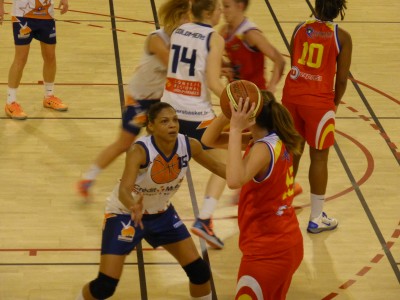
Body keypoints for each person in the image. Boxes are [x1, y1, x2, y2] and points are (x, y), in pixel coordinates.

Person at [76, 102, 226, 300]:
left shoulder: (189, 145)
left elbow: (218, 168)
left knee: (200, 273)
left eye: (174, 120)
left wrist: (251, 173)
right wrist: (132, 205)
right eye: (165, 121)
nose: (172, 125)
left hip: (161, 214)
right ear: (151, 126)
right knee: (105, 286)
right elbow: (124, 190)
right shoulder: (139, 151)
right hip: (125, 214)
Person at [77, 0, 191, 199]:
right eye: (186, 23)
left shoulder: (181, 43)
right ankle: (88, 177)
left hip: (159, 101)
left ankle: (146, 179)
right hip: (139, 100)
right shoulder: (157, 39)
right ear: (175, 20)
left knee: (163, 141)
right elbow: (174, 66)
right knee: (123, 143)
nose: (189, 28)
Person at [202, 95, 304, 299]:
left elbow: (234, 180)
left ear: (252, 118)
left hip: (268, 253)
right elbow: (208, 140)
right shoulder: (270, 139)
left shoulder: (262, 149)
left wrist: (235, 127)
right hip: (285, 244)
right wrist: (226, 112)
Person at [161, 0, 228, 249]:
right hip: (196, 116)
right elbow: (212, 81)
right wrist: (234, 101)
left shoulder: (179, 30)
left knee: (161, 169)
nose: (222, 11)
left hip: (168, 112)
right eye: (219, 7)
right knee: (229, 166)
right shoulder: (214, 37)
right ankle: (205, 219)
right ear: (209, 12)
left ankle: (131, 214)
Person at [281, 0, 352, 233]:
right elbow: (341, 79)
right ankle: (316, 217)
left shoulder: (299, 29)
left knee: (292, 152)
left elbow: (295, 62)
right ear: (340, 9)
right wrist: (335, 103)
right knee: (319, 158)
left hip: (292, 97)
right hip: (319, 103)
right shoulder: (342, 37)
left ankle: (282, 207)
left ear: (316, 5)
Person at [220, 0, 303, 198]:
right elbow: (228, 62)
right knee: (238, 143)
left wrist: (272, 87)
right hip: (239, 101)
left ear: (240, 6)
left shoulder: (250, 34)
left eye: (227, 6)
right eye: (222, 6)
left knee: (249, 144)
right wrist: (224, 67)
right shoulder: (225, 32)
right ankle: (264, 184)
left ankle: (281, 185)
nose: (223, 11)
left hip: (255, 104)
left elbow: (279, 59)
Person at [4, 0, 69, 120]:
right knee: (21, 58)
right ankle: (10, 102)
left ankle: (49, 96)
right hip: (22, 15)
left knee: (50, 56)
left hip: (47, 14)